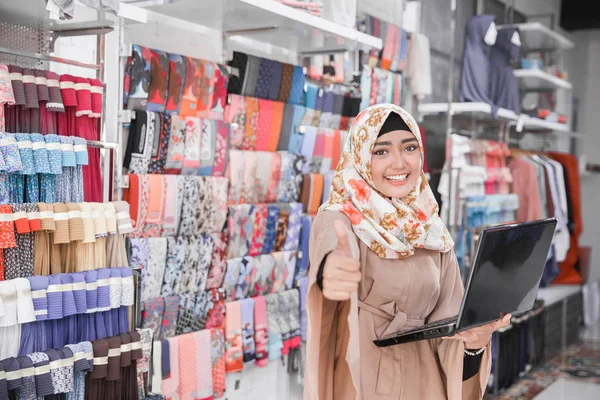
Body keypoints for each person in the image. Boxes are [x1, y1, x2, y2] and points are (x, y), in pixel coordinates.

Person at [304, 104, 511, 400]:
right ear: (360, 157)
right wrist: (329, 273)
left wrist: (475, 342)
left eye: (409, 147)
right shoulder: (340, 218)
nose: (399, 163)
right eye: (381, 151)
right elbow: (330, 255)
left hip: (426, 385)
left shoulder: (432, 229)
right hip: (361, 382)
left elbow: (449, 329)